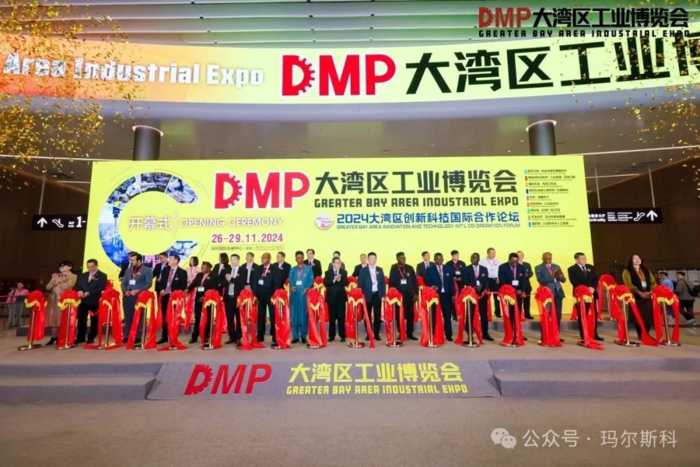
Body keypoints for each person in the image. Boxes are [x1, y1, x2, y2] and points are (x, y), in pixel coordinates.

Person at [567, 252, 603, 342]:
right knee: (583, 315)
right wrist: (586, 289)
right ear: (576, 260)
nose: (584, 260)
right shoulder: (572, 269)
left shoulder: (591, 267)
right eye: (582, 258)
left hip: (592, 293)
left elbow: (596, 279)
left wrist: (593, 287)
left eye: (585, 258)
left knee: (593, 315)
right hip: (581, 295)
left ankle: (594, 334)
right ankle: (584, 334)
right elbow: (575, 282)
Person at [621, 255, 657, 340]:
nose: (637, 260)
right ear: (630, 261)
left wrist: (650, 292)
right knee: (638, 316)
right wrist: (639, 292)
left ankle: (646, 334)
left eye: (638, 258)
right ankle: (640, 334)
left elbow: (653, 282)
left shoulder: (646, 270)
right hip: (636, 296)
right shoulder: (627, 271)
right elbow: (628, 284)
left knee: (648, 316)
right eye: (634, 258)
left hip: (648, 295)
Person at [186, 261, 222, 344]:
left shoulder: (214, 276)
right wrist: (188, 289)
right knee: (197, 317)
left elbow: (214, 288)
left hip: (208, 300)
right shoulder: (199, 275)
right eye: (202, 268)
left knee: (208, 318)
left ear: (209, 268)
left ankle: (206, 335)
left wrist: (206, 297)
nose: (202, 269)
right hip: (199, 298)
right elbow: (194, 283)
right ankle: (195, 336)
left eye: (204, 268)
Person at [120, 253, 153, 343]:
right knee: (127, 317)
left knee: (139, 317)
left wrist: (138, 290)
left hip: (139, 297)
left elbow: (148, 284)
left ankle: (138, 335)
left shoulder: (147, 270)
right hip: (127, 296)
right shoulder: (128, 270)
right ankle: (127, 335)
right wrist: (125, 291)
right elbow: (124, 283)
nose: (131, 262)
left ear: (139, 261)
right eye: (130, 260)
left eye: (133, 260)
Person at [156, 255, 188, 344]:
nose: (168, 261)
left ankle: (173, 336)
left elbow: (183, 286)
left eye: (170, 259)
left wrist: (176, 294)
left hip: (175, 298)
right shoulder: (165, 270)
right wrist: (161, 289)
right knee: (165, 317)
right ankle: (164, 336)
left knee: (173, 318)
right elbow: (161, 283)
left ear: (176, 261)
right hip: (165, 296)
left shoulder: (182, 272)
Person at [75, 259, 108, 344]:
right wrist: (80, 291)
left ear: (96, 266)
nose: (90, 268)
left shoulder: (102, 275)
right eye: (88, 267)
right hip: (83, 301)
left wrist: (89, 293)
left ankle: (91, 337)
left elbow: (101, 287)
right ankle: (80, 337)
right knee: (81, 320)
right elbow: (79, 285)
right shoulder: (83, 275)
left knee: (94, 321)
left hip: (94, 301)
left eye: (92, 267)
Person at [498, 253, 528, 345]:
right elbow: (503, 282)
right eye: (513, 261)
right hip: (508, 295)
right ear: (509, 260)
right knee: (510, 315)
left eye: (516, 261)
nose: (515, 263)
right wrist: (514, 290)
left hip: (518, 295)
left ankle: (517, 333)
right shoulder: (502, 267)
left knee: (517, 314)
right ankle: (510, 334)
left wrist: (523, 291)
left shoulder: (521, 267)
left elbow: (524, 280)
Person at [45, 261, 77, 345]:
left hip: (64, 301)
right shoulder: (56, 275)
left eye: (64, 266)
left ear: (70, 267)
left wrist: (58, 281)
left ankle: (64, 337)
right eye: (60, 266)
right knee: (53, 320)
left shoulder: (73, 276)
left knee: (62, 319)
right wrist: (53, 280)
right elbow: (48, 287)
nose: (61, 268)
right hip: (53, 300)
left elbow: (68, 287)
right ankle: (54, 337)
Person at [535, 252, 567, 338]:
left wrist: (561, 277)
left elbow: (563, 280)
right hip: (547, 295)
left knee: (558, 315)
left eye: (549, 258)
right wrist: (554, 277)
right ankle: (545, 336)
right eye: (546, 258)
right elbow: (541, 280)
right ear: (542, 258)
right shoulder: (538, 267)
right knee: (546, 315)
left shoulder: (556, 266)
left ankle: (556, 335)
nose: (548, 260)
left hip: (558, 293)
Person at [389, 252, 419, 340]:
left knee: (410, 315)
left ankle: (410, 333)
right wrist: (392, 295)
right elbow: (391, 282)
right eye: (401, 258)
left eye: (404, 257)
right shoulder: (394, 268)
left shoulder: (410, 268)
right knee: (399, 315)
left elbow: (415, 282)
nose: (403, 259)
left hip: (409, 295)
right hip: (398, 296)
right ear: (397, 259)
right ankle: (401, 333)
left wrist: (416, 293)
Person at [464, 252, 493, 341]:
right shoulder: (466, 269)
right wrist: (474, 287)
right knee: (470, 314)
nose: (472, 259)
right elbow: (465, 281)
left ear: (478, 259)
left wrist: (484, 288)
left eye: (474, 258)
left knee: (483, 314)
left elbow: (487, 281)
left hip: (482, 295)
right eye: (471, 258)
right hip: (471, 295)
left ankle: (485, 333)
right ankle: (470, 333)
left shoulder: (484, 269)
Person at [426, 253, 455, 341]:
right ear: (434, 260)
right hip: (435, 296)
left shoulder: (448, 269)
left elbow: (452, 283)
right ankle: (434, 333)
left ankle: (448, 334)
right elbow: (427, 281)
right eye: (437, 259)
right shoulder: (430, 270)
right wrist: (432, 286)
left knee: (447, 316)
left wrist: (453, 294)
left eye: (440, 259)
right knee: (434, 315)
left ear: (443, 259)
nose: (439, 260)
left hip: (447, 296)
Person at [359, 252, 386, 340]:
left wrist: (383, 294)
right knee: (367, 315)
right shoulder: (363, 270)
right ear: (368, 259)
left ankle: (377, 333)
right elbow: (360, 284)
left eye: (374, 258)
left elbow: (383, 283)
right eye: (371, 258)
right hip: (367, 295)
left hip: (377, 294)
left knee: (377, 315)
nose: (373, 260)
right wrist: (360, 295)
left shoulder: (379, 269)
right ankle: (369, 333)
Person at [289, 251, 313, 343]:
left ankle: (303, 336)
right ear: (295, 259)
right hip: (295, 295)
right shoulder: (292, 269)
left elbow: (311, 280)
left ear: (303, 258)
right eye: (297, 257)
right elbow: (290, 280)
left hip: (304, 295)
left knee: (303, 315)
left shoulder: (308, 269)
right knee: (294, 315)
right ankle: (295, 336)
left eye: (300, 257)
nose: (299, 259)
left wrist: (307, 288)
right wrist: (292, 286)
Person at [253, 253, 276, 346]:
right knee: (260, 317)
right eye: (262, 258)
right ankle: (260, 335)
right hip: (260, 296)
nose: (262, 259)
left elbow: (277, 283)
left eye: (264, 258)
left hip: (271, 296)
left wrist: (274, 296)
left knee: (273, 317)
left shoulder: (275, 269)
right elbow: (254, 282)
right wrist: (255, 294)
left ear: (269, 259)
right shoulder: (258, 268)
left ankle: (275, 335)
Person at [324, 257, 348, 342]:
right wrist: (334, 280)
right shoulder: (328, 272)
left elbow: (346, 283)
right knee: (332, 317)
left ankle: (342, 335)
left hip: (341, 298)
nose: (338, 265)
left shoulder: (343, 272)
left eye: (339, 263)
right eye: (337, 263)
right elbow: (326, 282)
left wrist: (340, 279)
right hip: (331, 298)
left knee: (341, 317)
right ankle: (331, 336)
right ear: (333, 264)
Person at [223, 254, 246, 345]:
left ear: (239, 260)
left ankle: (238, 337)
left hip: (238, 298)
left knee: (239, 318)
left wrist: (231, 279)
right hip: (228, 297)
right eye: (231, 259)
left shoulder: (243, 270)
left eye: (235, 259)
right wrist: (227, 280)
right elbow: (222, 282)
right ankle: (231, 337)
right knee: (229, 318)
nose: (233, 261)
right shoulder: (227, 270)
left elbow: (242, 282)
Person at [479, 248, 501, 318]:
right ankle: (484, 313)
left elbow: (500, 271)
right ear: (487, 253)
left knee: (496, 297)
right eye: (491, 253)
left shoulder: (498, 261)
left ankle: (497, 313)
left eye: (494, 253)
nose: (493, 254)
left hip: (496, 280)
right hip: (486, 280)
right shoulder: (482, 261)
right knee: (485, 297)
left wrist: (499, 278)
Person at [517, 251, 535, 319]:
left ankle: (527, 314)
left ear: (523, 256)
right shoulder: (514, 264)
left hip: (527, 285)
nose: (519, 257)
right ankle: (519, 314)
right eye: (518, 256)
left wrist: (525, 275)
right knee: (518, 301)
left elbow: (531, 273)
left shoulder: (527, 264)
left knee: (527, 301)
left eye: (521, 256)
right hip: (518, 286)